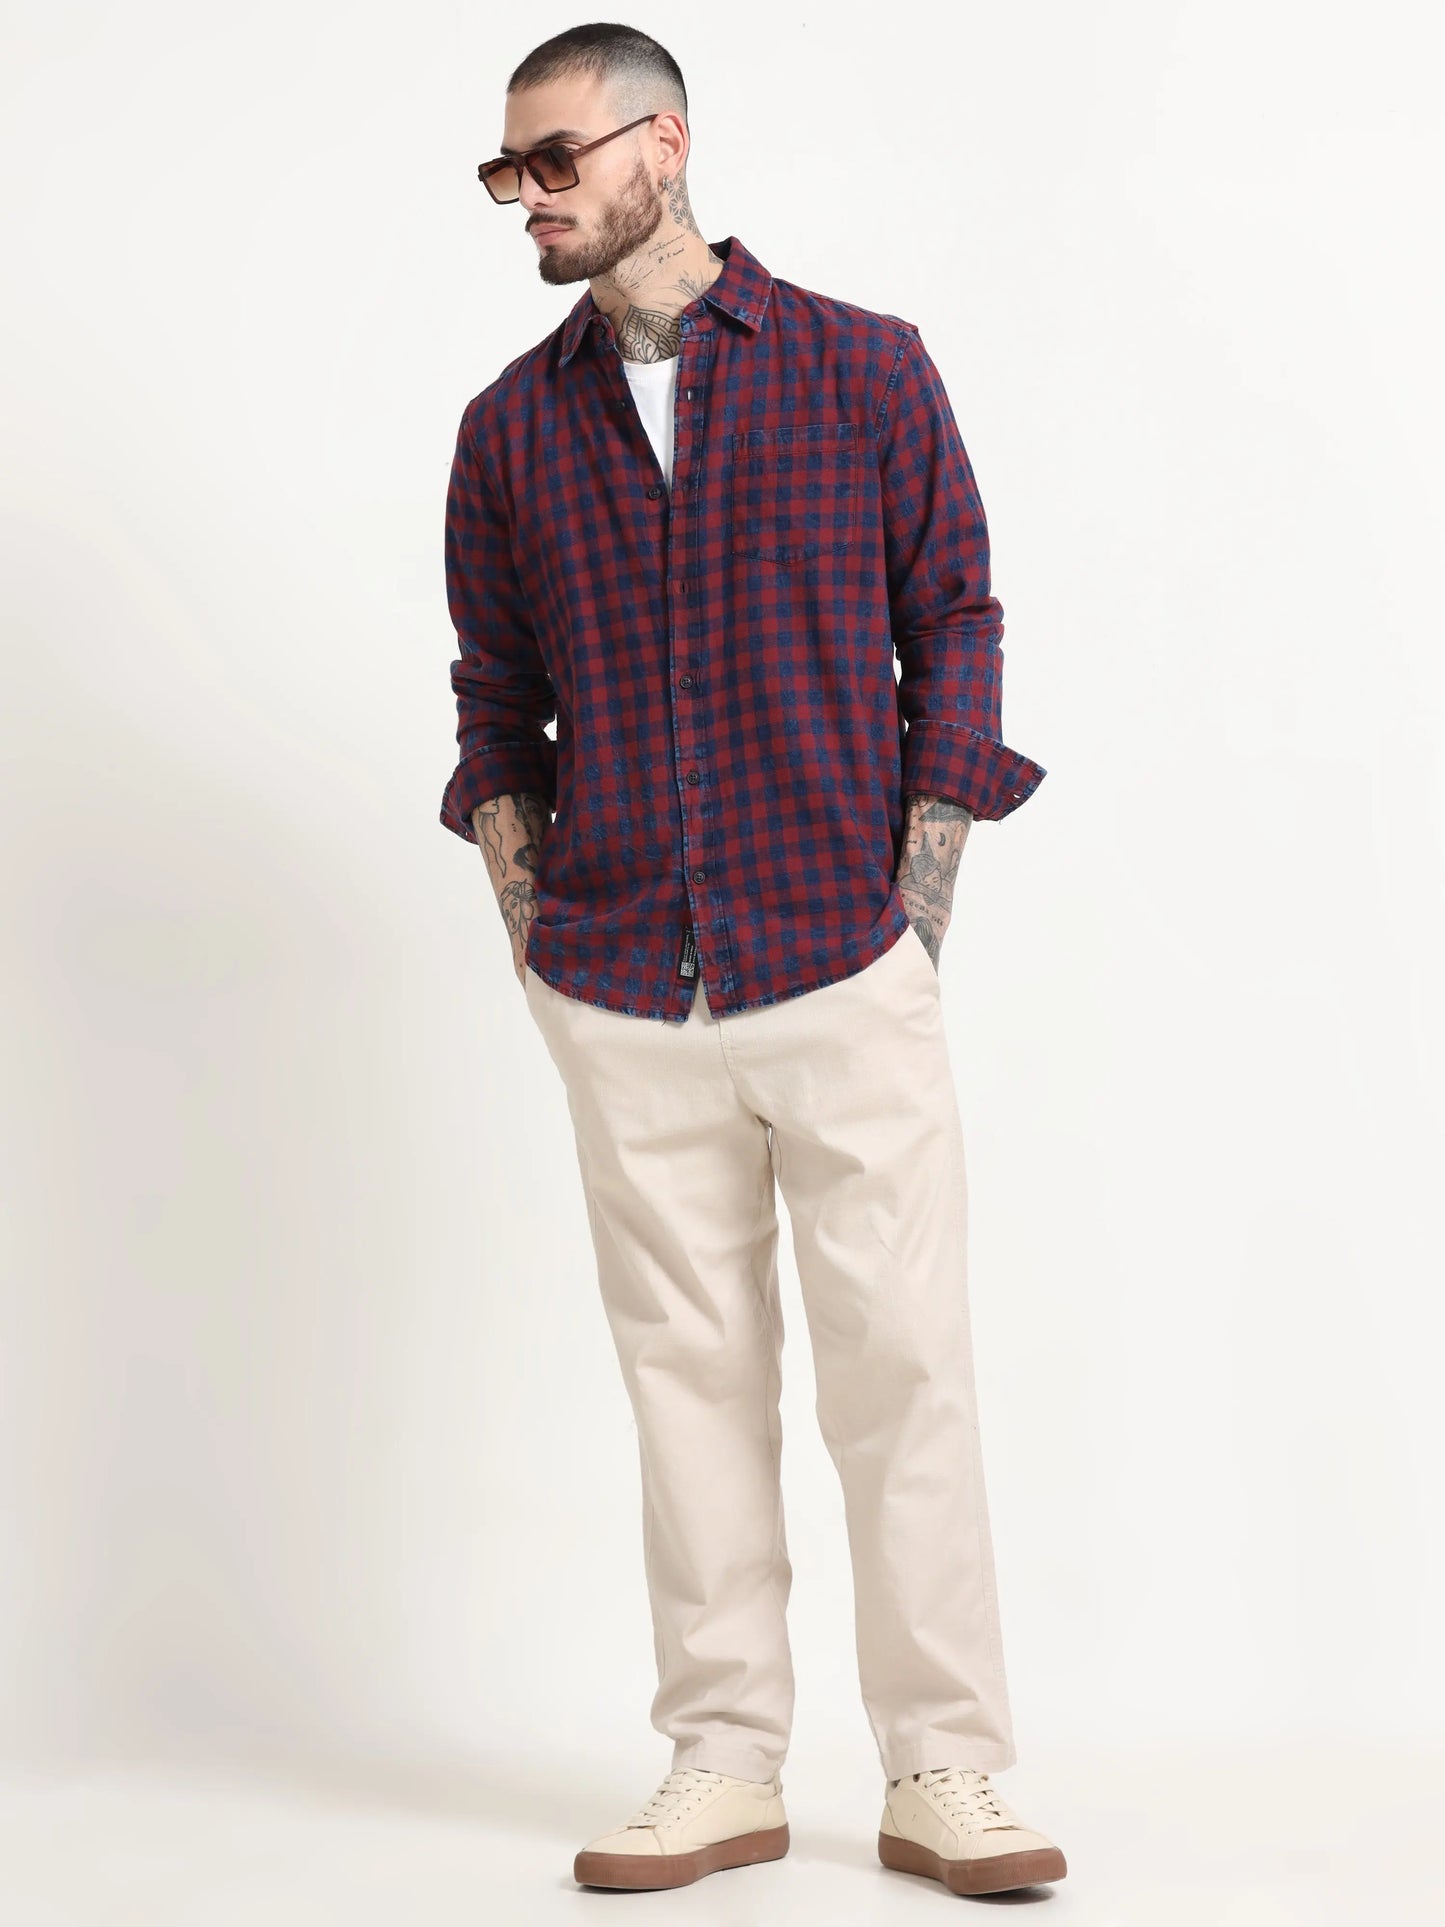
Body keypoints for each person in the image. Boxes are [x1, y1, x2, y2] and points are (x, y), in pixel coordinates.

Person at [439, 21, 1065, 1900]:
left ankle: (945, 1770)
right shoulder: (507, 430)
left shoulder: (862, 367)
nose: (528, 198)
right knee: (684, 1385)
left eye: (555, 159)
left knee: (905, 1374)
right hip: (624, 985)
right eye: (507, 171)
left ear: (665, 144)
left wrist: (914, 923)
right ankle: (720, 1762)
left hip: (839, 958)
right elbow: (496, 704)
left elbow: (955, 628)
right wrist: (540, 945)